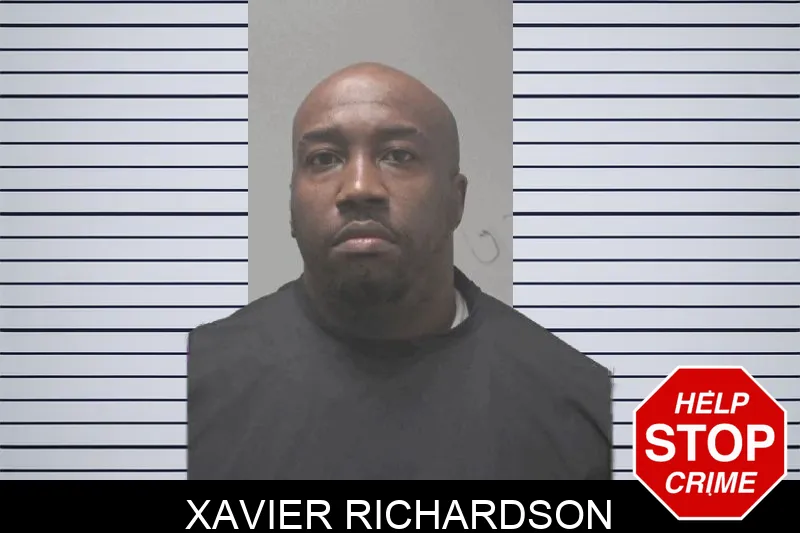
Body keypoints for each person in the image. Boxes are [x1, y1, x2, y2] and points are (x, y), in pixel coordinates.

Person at [187, 62, 612, 480]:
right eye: (324, 158)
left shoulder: (583, 409)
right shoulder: (189, 388)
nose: (359, 187)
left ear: (456, 200)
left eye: (398, 155)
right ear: (291, 204)